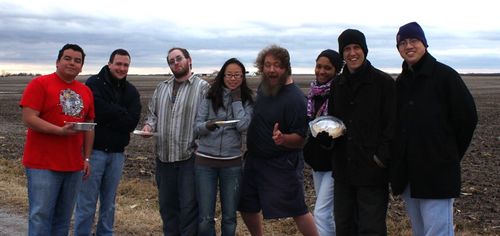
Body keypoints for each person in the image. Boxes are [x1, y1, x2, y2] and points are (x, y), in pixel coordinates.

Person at [391, 22, 478, 236]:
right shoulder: (401, 83)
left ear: (424, 44)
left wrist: (447, 154)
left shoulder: (445, 76)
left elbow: (467, 118)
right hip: (409, 174)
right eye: (403, 43)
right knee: (420, 231)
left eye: (413, 41)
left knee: (437, 231)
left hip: (436, 172)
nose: (408, 46)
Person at [238, 44, 319, 236]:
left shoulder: (296, 99)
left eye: (277, 65)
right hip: (255, 161)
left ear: (286, 68)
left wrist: (283, 139)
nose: (271, 70)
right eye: (267, 65)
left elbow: (300, 139)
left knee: (297, 209)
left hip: (282, 164)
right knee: (246, 205)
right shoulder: (264, 88)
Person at [323, 29, 397, 235]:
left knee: (371, 228)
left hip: (372, 171)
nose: (352, 53)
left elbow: (392, 127)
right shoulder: (338, 84)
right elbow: (334, 123)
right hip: (343, 170)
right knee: (344, 226)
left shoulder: (383, 83)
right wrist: (326, 139)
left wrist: (380, 159)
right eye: (346, 49)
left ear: (364, 50)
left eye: (356, 48)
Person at [19, 43, 95, 236]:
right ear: (57, 62)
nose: (72, 63)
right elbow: (29, 118)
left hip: (73, 166)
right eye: (67, 58)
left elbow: (89, 127)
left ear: (81, 66)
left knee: (63, 220)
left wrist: (86, 159)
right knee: (40, 216)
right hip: (42, 165)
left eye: (77, 61)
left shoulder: (85, 91)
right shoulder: (39, 84)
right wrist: (59, 131)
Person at [142, 47, 210, 235]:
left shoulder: (203, 88)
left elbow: (208, 122)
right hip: (164, 158)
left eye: (179, 59)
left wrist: (201, 147)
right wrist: (148, 127)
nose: (175, 63)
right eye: (171, 61)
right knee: (167, 208)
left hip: (189, 158)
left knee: (189, 209)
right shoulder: (161, 87)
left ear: (189, 60)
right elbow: (152, 115)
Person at [74, 49, 141, 235]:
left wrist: (111, 113)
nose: (122, 68)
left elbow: (132, 122)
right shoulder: (94, 84)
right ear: (109, 63)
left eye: (125, 65)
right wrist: (121, 113)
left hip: (117, 154)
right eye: (118, 64)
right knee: (86, 203)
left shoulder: (131, 91)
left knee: (109, 204)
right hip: (93, 153)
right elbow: (96, 111)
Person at [193, 58, 254, 235]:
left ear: (243, 77)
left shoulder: (248, 100)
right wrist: (209, 125)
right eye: (229, 75)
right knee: (205, 218)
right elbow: (197, 127)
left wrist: (236, 100)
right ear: (223, 75)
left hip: (232, 164)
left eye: (237, 75)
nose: (233, 79)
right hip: (205, 163)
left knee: (229, 217)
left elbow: (243, 125)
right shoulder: (210, 96)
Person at [303, 49, 342, 236]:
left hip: (335, 162)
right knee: (326, 211)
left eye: (328, 68)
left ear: (337, 70)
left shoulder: (340, 92)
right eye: (319, 66)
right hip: (318, 161)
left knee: (321, 212)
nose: (322, 71)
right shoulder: (313, 93)